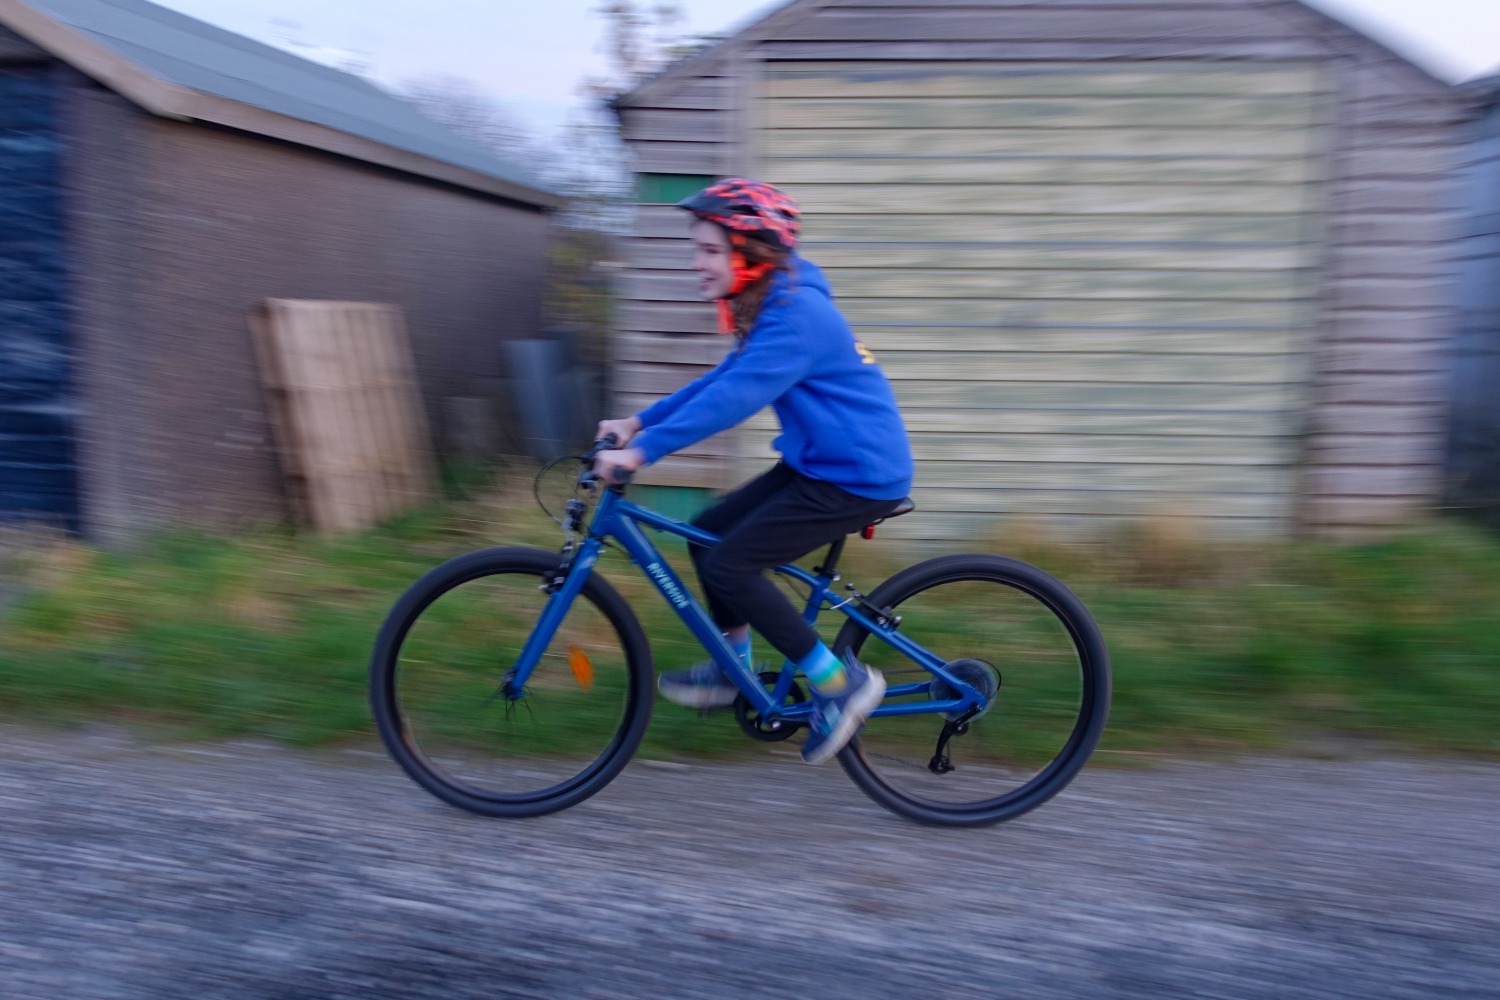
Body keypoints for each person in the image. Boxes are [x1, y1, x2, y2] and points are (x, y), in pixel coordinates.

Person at [593, 178, 914, 765]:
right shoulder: (772, 302)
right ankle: (732, 667)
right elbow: (719, 381)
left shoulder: (796, 316)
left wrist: (642, 454)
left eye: (710, 250)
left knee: (732, 564)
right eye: (697, 249)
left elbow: (735, 398)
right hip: (821, 463)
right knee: (711, 531)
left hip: (857, 476)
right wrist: (639, 422)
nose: (697, 263)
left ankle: (842, 686)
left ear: (751, 254)